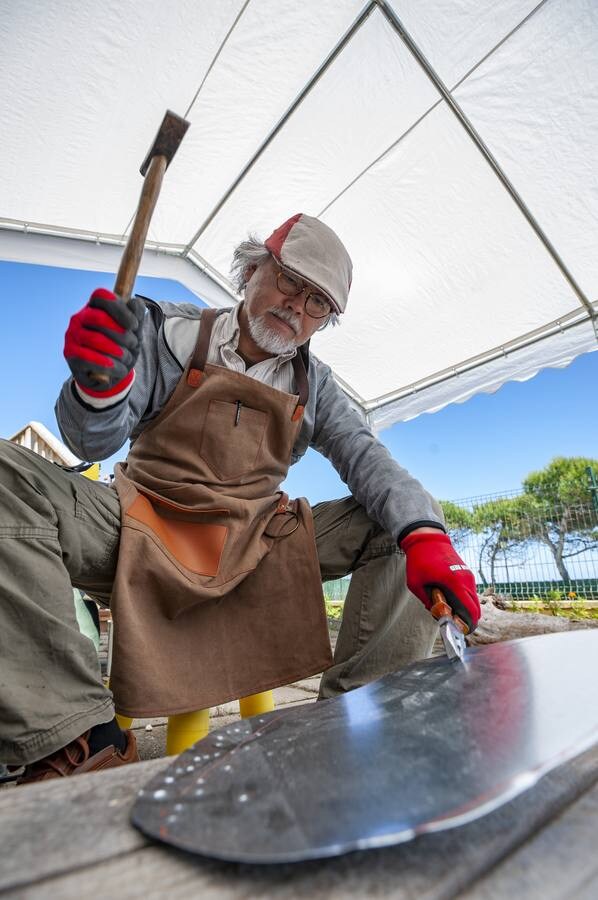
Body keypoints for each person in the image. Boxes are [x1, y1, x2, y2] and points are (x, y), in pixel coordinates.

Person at [0, 213, 480, 784]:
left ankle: (359, 722)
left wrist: (424, 533)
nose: (297, 307)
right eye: (289, 281)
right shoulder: (163, 331)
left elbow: (365, 457)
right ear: (251, 270)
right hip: (138, 526)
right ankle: (74, 736)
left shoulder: (314, 385)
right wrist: (97, 388)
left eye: (318, 303)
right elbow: (88, 440)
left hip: (257, 542)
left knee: (399, 522)